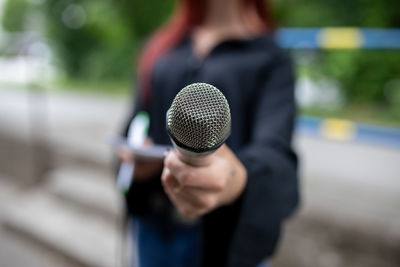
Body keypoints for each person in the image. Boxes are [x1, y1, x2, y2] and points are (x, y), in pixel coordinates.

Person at [118, 0, 299, 266]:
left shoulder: (271, 59)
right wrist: (135, 163)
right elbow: (135, 124)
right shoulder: (161, 49)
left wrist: (232, 178)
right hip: (153, 231)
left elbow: (274, 152)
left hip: (223, 243)